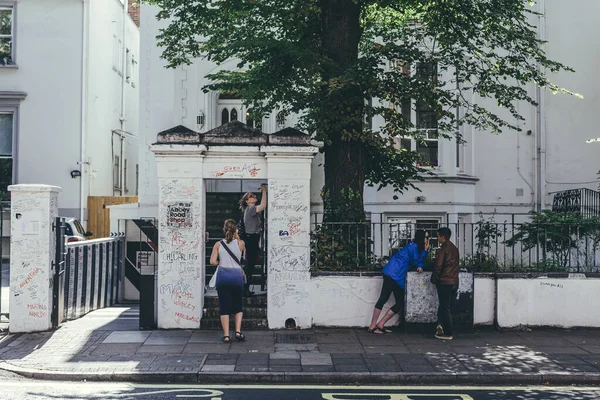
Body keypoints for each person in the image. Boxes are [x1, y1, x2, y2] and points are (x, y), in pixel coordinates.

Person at [368, 230, 430, 334]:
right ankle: (372, 326)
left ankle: (380, 324)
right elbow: (415, 262)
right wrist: (425, 252)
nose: (428, 240)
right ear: (421, 238)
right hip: (394, 274)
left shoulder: (413, 246)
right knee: (384, 298)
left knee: (399, 302)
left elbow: (417, 263)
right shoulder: (414, 247)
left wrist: (421, 259)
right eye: (426, 238)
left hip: (395, 274)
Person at [209, 219, 247, 343]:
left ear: (224, 230)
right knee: (237, 305)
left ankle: (226, 335)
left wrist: (222, 262)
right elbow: (242, 257)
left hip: (223, 276)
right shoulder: (241, 243)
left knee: (224, 306)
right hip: (236, 277)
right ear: (235, 230)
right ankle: (237, 331)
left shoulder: (218, 244)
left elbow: (212, 261)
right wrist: (237, 235)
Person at [431, 227, 460, 340]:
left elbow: (438, 265)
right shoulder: (454, 248)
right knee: (446, 306)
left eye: (438, 236)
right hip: (454, 281)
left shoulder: (443, 249)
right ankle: (440, 326)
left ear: (442, 237)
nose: (437, 238)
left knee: (444, 306)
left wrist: (434, 278)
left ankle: (448, 333)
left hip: (444, 282)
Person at [239, 184, 267, 296]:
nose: (254, 196)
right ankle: (245, 288)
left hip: (251, 238)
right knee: (250, 265)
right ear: (247, 201)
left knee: (250, 264)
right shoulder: (250, 209)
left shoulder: (248, 209)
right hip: (251, 239)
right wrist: (264, 192)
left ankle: (245, 288)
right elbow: (263, 206)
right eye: (251, 196)